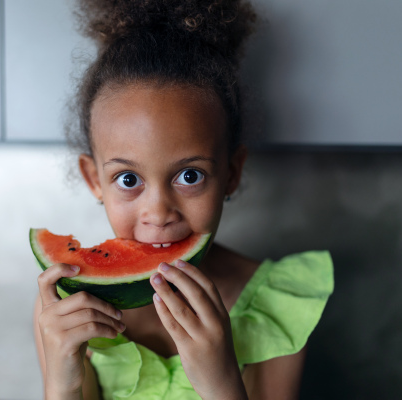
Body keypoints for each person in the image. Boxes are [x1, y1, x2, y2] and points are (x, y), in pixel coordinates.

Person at [33, 0, 334, 399]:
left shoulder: (276, 305)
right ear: (94, 180)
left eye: (189, 176)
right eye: (128, 178)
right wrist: (62, 380)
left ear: (231, 173)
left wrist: (221, 381)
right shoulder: (65, 307)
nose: (158, 212)